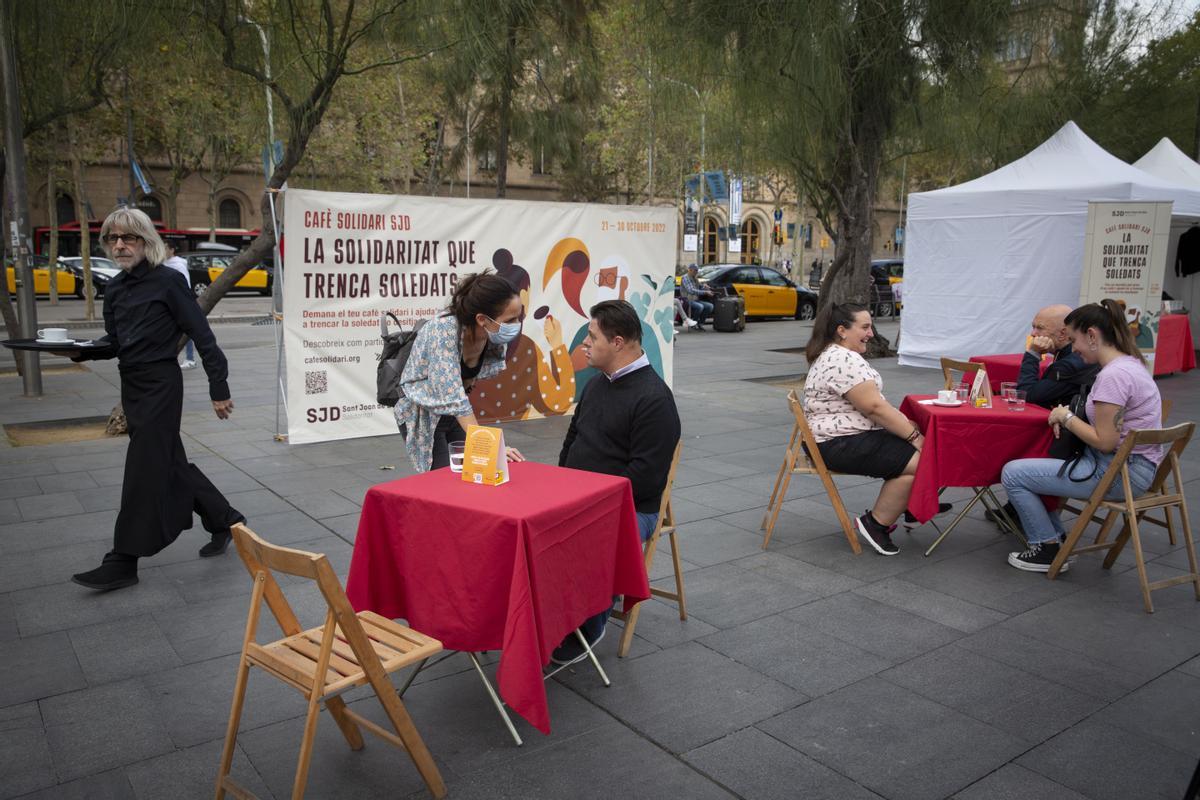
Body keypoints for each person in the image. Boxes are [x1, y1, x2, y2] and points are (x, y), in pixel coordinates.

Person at [68, 208, 245, 592]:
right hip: (132, 386)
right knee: (169, 464)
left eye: (128, 238)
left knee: (143, 471)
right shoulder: (114, 289)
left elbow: (202, 333)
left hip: (162, 386)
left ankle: (123, 560)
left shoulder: (168, 282)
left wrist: (220, 387)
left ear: (146, 242)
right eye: (113, 238)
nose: (119, 245)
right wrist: (81, 351)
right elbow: (115, 342)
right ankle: (227, 520)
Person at [552, 299, 681, 664]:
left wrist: (586, 501)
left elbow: (644, 478)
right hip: (582, 497)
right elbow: (571, 441)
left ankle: (588, 625)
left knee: (589, 535)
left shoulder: (654, 399)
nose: (585, 345)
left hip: (630, 508)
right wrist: (562, 488)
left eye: (592, 337)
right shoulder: (596, 385)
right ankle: (549, 614)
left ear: (618, 342)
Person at [1001, 299, 1164, 572]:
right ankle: (1055, 539)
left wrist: (1066, 418)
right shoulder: (1130, 364)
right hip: (1133, 467)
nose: (1073, 349)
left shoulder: (1113, 376)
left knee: (1013, 473)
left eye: (1075, 339)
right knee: (1042, 457)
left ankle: (1046, 548)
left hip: (1118, 473)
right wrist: (1067, 418)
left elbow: (1105, 441)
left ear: (1091, 335)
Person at [802, 303, 949, 556]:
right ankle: (877, 523)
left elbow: (874, 405)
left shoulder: (836, 353)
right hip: (837, 443)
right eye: (865, 327)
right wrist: (914, 436)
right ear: (842, 330)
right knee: (925, 461)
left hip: (836, 438)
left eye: (871, 326)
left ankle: (909, 506)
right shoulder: (841, 359)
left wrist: (905, 426)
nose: (871, 333)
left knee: (919, 454)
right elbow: (874, 408)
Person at [394, 270, 526, 471]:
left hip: (454, 412)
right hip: (424, 413)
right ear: (482, 319)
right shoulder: (443, 330)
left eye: (519, 317)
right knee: (442, 479)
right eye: (509, 320)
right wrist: (490, 446)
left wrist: (487, 448)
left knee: (474, 470)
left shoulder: (492, 335)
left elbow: (462, 395)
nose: (516, 325)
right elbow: (455, 398)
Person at [161, 240, 196, 369]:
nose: (162, 251)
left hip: (179, 302)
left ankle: (190, 359)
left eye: (165, 248)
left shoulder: (178, 265)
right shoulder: (163, 263)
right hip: (168, 302)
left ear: (172, 250)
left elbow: (185, 283)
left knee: (185, 330)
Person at [679, 263, 714, 330]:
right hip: (687, 300)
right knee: (700, 306)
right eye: (695, 270)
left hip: (695, 299)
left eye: (697, 270)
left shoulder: (694, 277)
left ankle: (700, 323)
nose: (696, 272)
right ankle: (694, 324)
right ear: (690, 270)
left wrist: (705, 287)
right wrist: (705, 292)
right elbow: (691, 290)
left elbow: (699, 286)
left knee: (710, 306)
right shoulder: (685, 278)